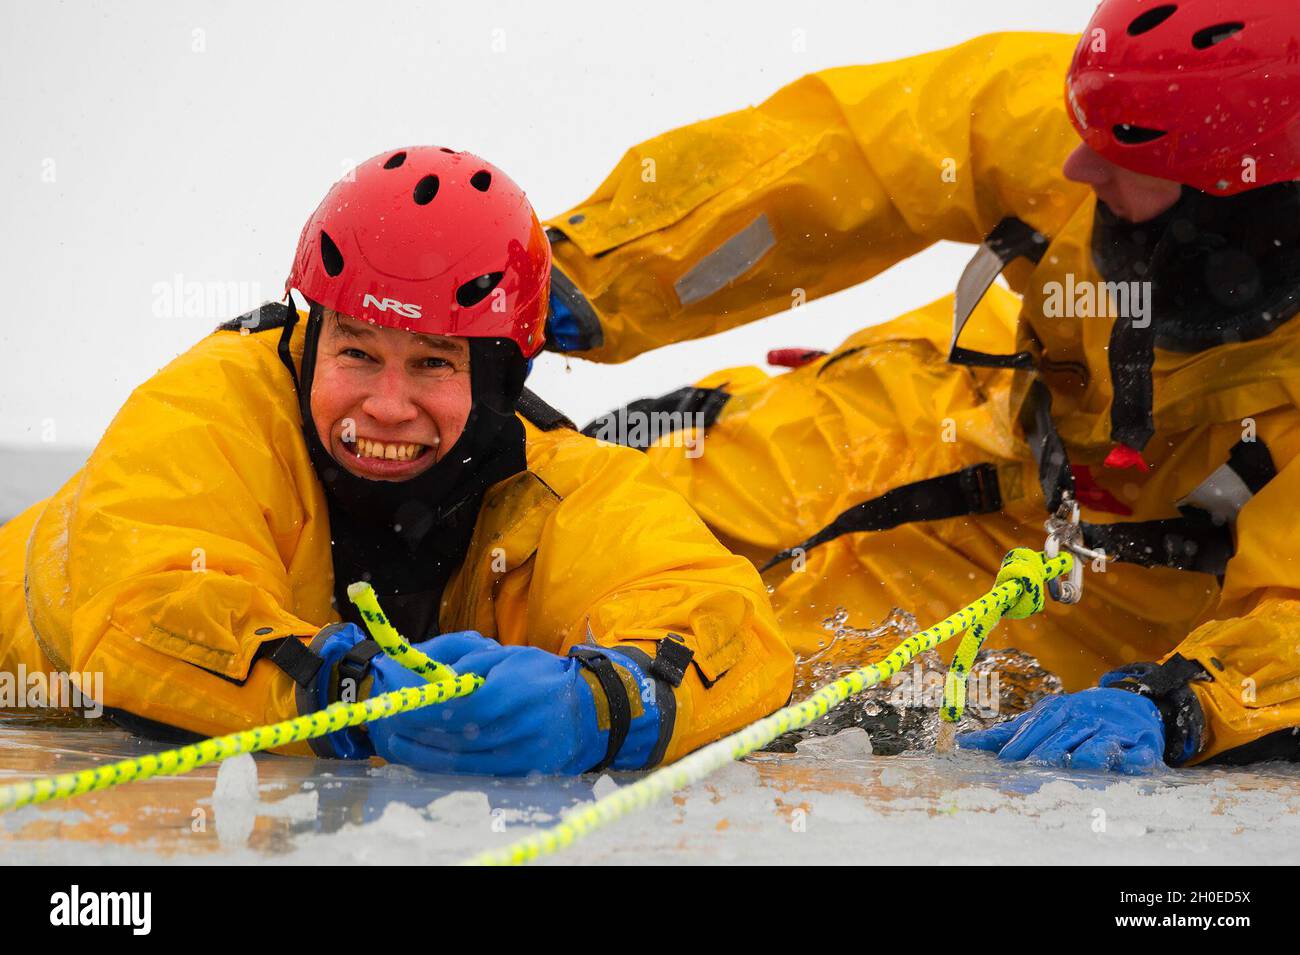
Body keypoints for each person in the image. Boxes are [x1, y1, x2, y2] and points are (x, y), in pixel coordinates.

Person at [542, 0, 1300, 772]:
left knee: (718, 667)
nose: (1076, 165)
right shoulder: (1096, 112)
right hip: (941, 416)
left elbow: (1290, 617)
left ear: (1242, 195)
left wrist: (1187, 701)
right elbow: (847, 154)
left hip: (1104, 597)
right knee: (553, 512)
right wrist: (582, 276)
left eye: (1128, 148)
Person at [0, 146, 794, 776]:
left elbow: (722, 623)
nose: (385, 404)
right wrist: (348, 694)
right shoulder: (214, 406)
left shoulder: (553, 483)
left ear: (498, 380)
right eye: (356, 351)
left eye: (432, 363)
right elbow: (145, 609)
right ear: (312, 339)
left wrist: (607, 709)